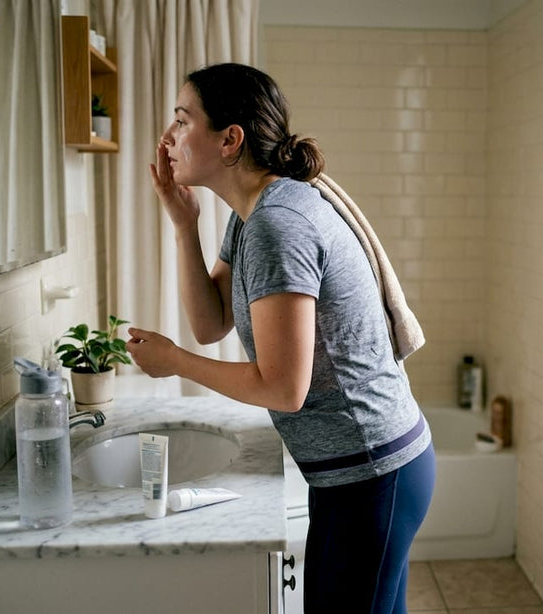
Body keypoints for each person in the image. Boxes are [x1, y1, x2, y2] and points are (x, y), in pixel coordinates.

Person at [124, 63, 434, 613]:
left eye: (181, 119)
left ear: (230, 140)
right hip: (364, 470)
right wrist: (181, 224)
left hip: (371, 473)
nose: (167, 137)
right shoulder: (251, 216)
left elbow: (281, 387)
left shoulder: (277, 224)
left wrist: (176, 363)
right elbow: (211, 321)